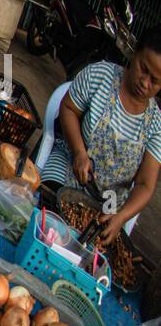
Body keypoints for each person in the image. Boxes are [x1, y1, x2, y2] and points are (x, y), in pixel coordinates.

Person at [41, 27, 161, 245]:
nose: (145, 83)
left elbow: (145, 184)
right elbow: (68, 108)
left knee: (93, 245)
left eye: (155, 81)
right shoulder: (100, 75)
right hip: (69, 165)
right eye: (143, 69)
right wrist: (79, 153)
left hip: (109, 200)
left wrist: (121, 216)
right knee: (46, 215)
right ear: (134, 54)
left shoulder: (156, 125)